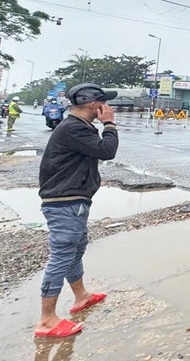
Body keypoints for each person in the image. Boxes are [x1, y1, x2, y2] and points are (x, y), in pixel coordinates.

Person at [34, 83, 119, 338]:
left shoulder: (78, 126)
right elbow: (107, 151)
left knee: (75, 249)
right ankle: (47, 320)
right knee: (61, 255)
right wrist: (110, 124)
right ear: (95, 105)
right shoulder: (73, 128)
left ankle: (81, 295)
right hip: (64, 202)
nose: (109, 107)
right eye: (105, 102)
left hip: (73, 199)